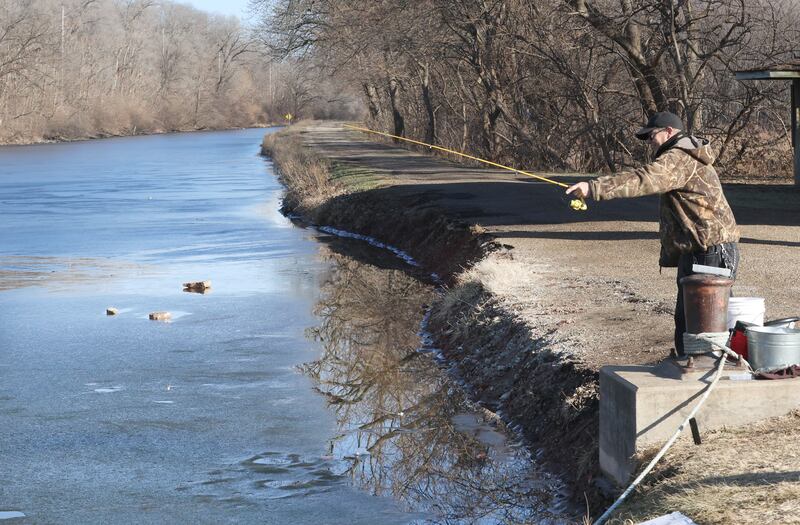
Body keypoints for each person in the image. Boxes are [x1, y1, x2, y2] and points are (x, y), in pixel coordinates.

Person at [566, 111, 740, 356]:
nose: (649, 141)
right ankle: (690, 369)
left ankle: (701, 375)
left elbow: (643, 179)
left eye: (651, 135)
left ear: (669, 132)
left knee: (700, 326)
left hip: (709, 251)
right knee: (690, 322)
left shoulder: (678, 157)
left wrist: (593, 187)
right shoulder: (682, 155)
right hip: (699, 250)